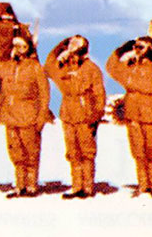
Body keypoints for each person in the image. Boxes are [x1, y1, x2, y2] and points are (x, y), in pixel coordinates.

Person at [107, 36, 152, 197]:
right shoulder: (131, 68)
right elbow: (112, 68)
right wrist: (120, 51)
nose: (138, 50)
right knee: (138, 151)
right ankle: (143, 184)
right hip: (133, 113)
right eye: (136, 47)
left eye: (142, 47)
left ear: (150, 49)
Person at [44, 35, 106, 198]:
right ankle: (76, 186)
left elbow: (99, 93)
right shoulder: (64, 67)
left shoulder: (91, 68)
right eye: (70, 45)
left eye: (75, 45)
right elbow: (49, 67)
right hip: (68, 113)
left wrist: (96, 115)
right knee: (72, 152)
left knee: (87, 152)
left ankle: (87, 187)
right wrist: (61, 46)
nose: (72, 48)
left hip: (86, 114)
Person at [0, 35, 50, 198]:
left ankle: (31, 186)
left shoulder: (35, 67)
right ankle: (20, 186)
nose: (19, 50)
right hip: (10, 115)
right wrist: (0, 48)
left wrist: (41, 116)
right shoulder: (8, 66)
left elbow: (44, 93)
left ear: (29, 49)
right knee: (15, 153)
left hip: (28, 115)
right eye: (16, 46)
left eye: (22, 47)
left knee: (31, 152)